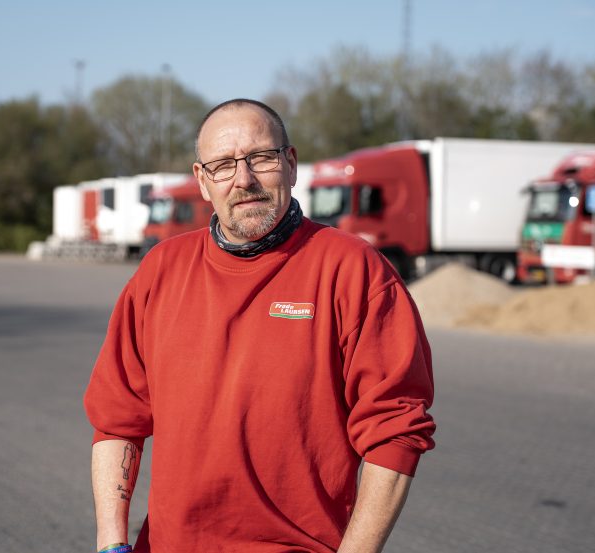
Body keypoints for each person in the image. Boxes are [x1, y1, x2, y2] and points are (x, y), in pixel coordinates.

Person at [85, 99, 435, 553]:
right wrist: (111, 543)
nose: (244, 179)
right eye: (223, 165)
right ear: (202, 181)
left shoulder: (354, 270)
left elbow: (395, 430)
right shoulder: (161, 271)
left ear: (291, 164)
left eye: (261, 158)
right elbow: (118, 420)